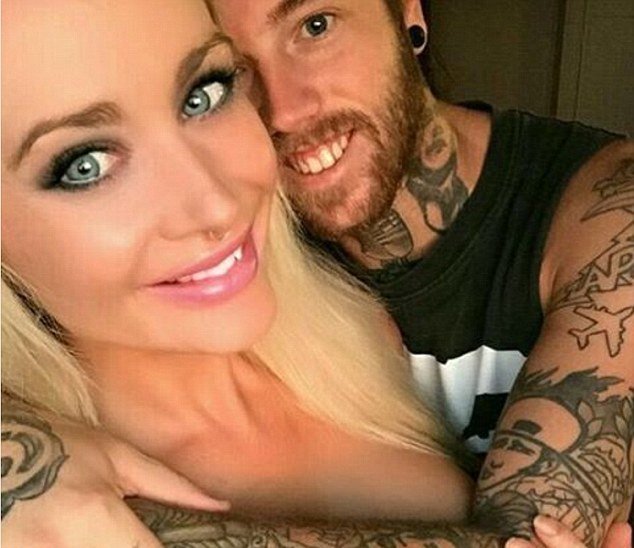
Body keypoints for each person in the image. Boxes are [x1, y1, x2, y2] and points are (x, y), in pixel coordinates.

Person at [1, 2, 630, 548]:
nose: (215, 204)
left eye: (204, 94)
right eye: (84, 165)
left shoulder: (352, 318)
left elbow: (536, 532)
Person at [205, 0, 633, 546]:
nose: (283, 111)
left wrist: (120, 525)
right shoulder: (220, 266)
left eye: (315, 26)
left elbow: (521, 540)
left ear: (409, 13)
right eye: (230, 73)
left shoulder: (612, 208)